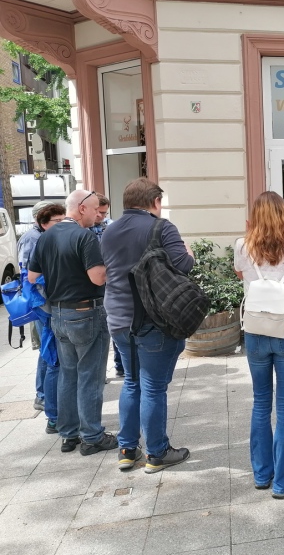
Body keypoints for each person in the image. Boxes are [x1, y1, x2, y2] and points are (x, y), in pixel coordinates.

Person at [102, 178, 195, 473]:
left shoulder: (109, 230)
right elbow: (183, 265)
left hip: (119, 318)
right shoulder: (161, 227)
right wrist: (190, 252)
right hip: (153, 319)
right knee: (153, 387)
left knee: (132, 382)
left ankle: (127, 450)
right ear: (155, 201)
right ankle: (157, 453)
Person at [234, 191, 284, 499]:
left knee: (260, 402)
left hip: (256, 329)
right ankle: (283, 480)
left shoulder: (242, 246)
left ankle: (262, 473)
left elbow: (241, 275)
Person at [27, 189, 115, 456]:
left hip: (59, 314)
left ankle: (69, 434)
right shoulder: (84, 236)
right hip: (86, 312)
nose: (98, 214)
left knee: (68, 374)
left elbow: (32, 276)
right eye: (95, 209)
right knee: (90, 376)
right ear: (82, 208)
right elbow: (98, 277)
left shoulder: (46, 236)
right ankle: (92, 437)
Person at [23, 204, 66, 433]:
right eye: (57, 221)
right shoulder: (34, 239)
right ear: (43, 222)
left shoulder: (41, 237)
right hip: (45, 306)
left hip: (47, 305)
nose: (62, 224)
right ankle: (48, 407)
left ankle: (50, 406)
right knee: (52, 359)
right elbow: (31, 276)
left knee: (50, 357)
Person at [17, 199, 56, 408]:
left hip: (45, 299)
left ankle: (45, 393)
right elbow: (27, 274)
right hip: (40, 302)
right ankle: (42, 395)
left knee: (48, 347)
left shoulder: (41, 235)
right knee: (46, 348)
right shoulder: (32, 238)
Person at [90, 194, 124, 379]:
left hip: (111, 284)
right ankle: (99, 372)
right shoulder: (82, 228)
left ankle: (121, 366)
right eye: (99, 212)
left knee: (115, 326)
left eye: (104, 212)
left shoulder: (111, 226)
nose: (101, 216)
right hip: (91, 286)